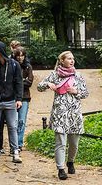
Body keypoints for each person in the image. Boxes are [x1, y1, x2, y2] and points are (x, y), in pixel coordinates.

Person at [38, 51, 89, 180]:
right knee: (60, 142)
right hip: (60, 113)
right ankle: (60, 169)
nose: (72, 61)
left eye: (73, 59)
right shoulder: (55, 75)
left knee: (74, 143)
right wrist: (48, 84)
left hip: (74, 114)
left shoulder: (78, 75)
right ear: (62, 61)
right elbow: (39, 87)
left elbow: (85, 93)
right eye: (69, 59)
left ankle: (70, 161)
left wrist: (76, 91)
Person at [0, 41, 23, 163]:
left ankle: (15, 151)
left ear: (1, 51)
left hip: (11, 101)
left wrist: (19, 99)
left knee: (12, 127)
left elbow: (19, 82)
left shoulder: (14, 65)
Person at [12, 46, 33, 151]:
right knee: (13, 122)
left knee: (21, 121)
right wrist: (21, 81)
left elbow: (29, 82)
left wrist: (19, 82)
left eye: (22, 55)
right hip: (13, 97)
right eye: (18, 56)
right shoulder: (11, 66)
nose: (20, 58)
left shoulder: (28, 67)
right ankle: (14, 144)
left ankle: (19, 143)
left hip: (24, 97)